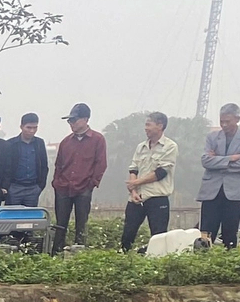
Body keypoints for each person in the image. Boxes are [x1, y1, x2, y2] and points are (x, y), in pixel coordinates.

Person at [50, 102, 107, 254]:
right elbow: (59, 165)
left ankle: (79, 255)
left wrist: (92, 184)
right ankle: (56, 254)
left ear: (86, 119)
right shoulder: (65, 142)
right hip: (63, 187)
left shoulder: (98, 140)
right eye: (70, 120)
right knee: (60, 224)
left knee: (81, 224)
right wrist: (56, 183)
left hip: (84, 188)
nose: (71, 124)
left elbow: (101, 164)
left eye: (74, 120)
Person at [198, 103, 240, 248]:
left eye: (227, 121)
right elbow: (205, 161)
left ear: (237, 119)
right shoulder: (212, 137)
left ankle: (228, 262)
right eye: (221, 121)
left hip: (234, 192)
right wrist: (230, 158)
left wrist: (217, 160)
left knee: (230, 234)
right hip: (211, 191)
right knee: (206, 233)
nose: (224, 125)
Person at [121, 112, 179, 251]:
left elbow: (161, 173)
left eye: (149, 125)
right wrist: (133, 190)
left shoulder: (170, 146)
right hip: (137, 197)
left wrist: (136, 183)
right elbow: (133, 169)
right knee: (127, 235)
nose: (145, 128)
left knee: (158, 238)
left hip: (157, 197)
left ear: (160, 125)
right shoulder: (141, 147)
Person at [5, 114, 48, 208]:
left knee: (29, 219)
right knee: (12, 218)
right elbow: (5, 167)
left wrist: (40, 186)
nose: (31, 131)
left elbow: (44, 166)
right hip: (15, 187)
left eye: (35, 128)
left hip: (33, 188)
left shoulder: (39, 143)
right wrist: (8, 187)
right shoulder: (10, 144)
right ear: (21, 127)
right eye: (28, 127)